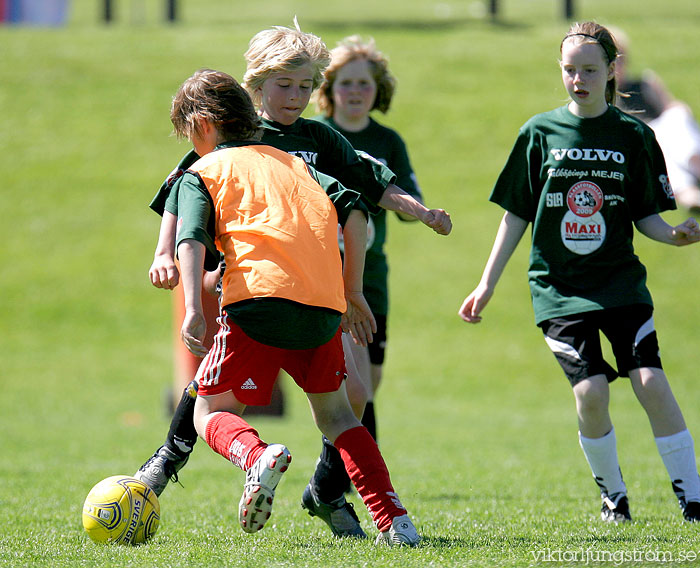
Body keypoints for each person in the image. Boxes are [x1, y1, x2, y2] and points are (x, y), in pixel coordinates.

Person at [137, 22, 451, 540]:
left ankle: (316, 489)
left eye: (306, 87)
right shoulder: (234, 135)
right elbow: (178, 199)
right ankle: (165, 465)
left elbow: (370, 185)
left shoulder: (315, 139)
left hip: (283, 293)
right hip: (302, 293)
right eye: (286, 85)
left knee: (339, 400)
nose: (298, 97)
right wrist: (160, 254)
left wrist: (419, 211)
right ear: (254, 85)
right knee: (327, 408)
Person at [458, 21, 700, 523]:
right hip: (559, 290)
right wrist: (487, 283)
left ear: (612, 71)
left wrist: (674, 234)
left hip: (620, 285)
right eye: (570, 70)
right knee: (590, 393)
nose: (578, 79)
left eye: (589, 70)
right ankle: (615, 497)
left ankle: (693, 499)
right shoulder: (538, 133)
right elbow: (516, 215)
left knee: (651, 381)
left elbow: (647, 218)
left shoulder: (634, 135)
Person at [613, 27, 700, 214]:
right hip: (644, 137)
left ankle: (694, 168)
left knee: (677, 116)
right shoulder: (605, 99)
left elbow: (671, 106)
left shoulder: (645, 82)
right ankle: (688, 192)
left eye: (622, 59)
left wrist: (679, 111)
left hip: (667, 128)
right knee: (660, 150)